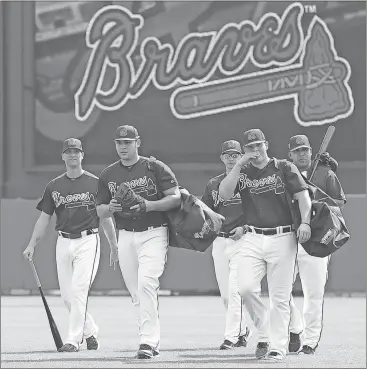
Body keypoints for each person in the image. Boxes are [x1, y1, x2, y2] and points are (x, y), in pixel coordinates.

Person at [219, 128, 312, 362]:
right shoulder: (243, 171)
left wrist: (306, 223)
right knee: (246, 288)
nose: (255, 150)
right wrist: (239, 165)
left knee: (280, 296)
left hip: (282, 236)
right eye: (250, 147)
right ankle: (264, 333)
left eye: (258, 145)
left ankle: (277, 347)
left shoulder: (283, 167)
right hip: (252, 236)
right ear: (245, 151)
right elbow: (224, 193)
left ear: (266, 145)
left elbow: (303, 196)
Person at [23, 138, 118, 352]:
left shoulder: (95, 183)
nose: (73, 155)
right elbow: (44, 218)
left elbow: (105, 217)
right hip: (63, 241)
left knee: (78, 290)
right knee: (67, 296)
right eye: (69, 151)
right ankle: (90, 330)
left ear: (82, 155)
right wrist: (32, 244)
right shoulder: (54, 186)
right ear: (63, 156)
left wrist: (114, 245)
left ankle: (73, 340)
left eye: (76, 151)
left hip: (88, 240)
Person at [96, 125, 181, 359]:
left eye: (128, 142)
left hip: (154, 231)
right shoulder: (108, 175)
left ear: (138, 142)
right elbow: (100, 210)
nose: (123, 147)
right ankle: (148, 336)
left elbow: (175, 197)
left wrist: (150, 205)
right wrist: (109, 208)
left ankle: (148, 341)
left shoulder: (153, 167)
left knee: (146, 283)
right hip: (126, 234)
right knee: (136, 291)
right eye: (119, 143)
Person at [287, 134, 347, 355]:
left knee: (313, 294)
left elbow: (339, 203)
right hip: (289, 239)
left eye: (305, 150)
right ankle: (295, 327)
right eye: (297, 150)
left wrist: (314, 194)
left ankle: (310, 341)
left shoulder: (324, 173)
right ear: (290, 155)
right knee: (281, 292)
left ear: (311, 152)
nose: (302, 153)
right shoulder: (285, 174)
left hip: (317, 238)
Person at [201, 140, 252, 350]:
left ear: (241, 157)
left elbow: (259, 211)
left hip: (242, 239)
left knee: (234, 290)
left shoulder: (249, 182)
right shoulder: (214, 183)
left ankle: (230, 336)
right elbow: (205, 210)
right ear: (222, 157)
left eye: (235, 155)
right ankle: (242, 329)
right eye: (228, 155)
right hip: (220, 241)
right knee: (225, 294)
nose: (231, 158)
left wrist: (246, 227)